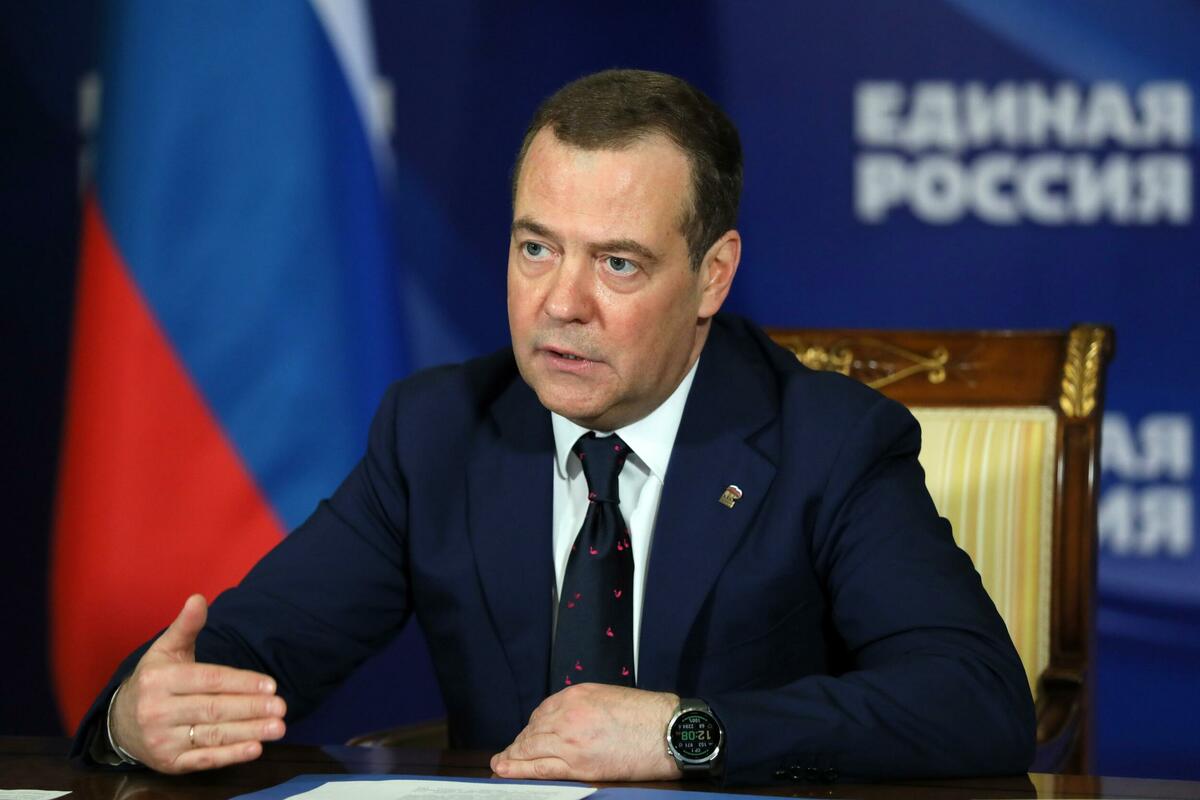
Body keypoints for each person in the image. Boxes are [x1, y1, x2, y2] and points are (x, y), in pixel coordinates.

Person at [74, 69, 1035, 784]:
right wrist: (135, 718)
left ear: (712, 276)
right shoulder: (438, 432)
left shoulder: (827, 443)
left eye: (617, 264)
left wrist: (682, 733)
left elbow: (975, 700)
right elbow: (247, 659)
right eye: (536, 248)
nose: (561, 304)